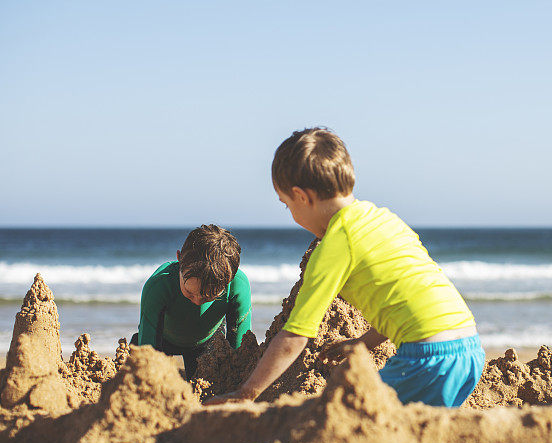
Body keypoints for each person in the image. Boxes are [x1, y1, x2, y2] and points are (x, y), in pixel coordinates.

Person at [207, 127, 484, 407]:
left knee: (353, 416)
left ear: (301, 196)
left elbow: (294, 336)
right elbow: (403, 302)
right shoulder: (384, 219)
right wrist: (362, 342)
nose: (291, 214)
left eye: (286, 204)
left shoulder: (335, 244)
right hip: (468, 348)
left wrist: (246, 394)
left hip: (428, 357)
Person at [131, 224, 252, 379]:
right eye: (189, 293)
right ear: (179, 259)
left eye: (209, 297)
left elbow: (240, 349)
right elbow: (147, 347)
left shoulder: (238, 285)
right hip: (162, 338)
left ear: (230, 278)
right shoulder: (159, 284)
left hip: (208, 342)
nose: (197, 301)